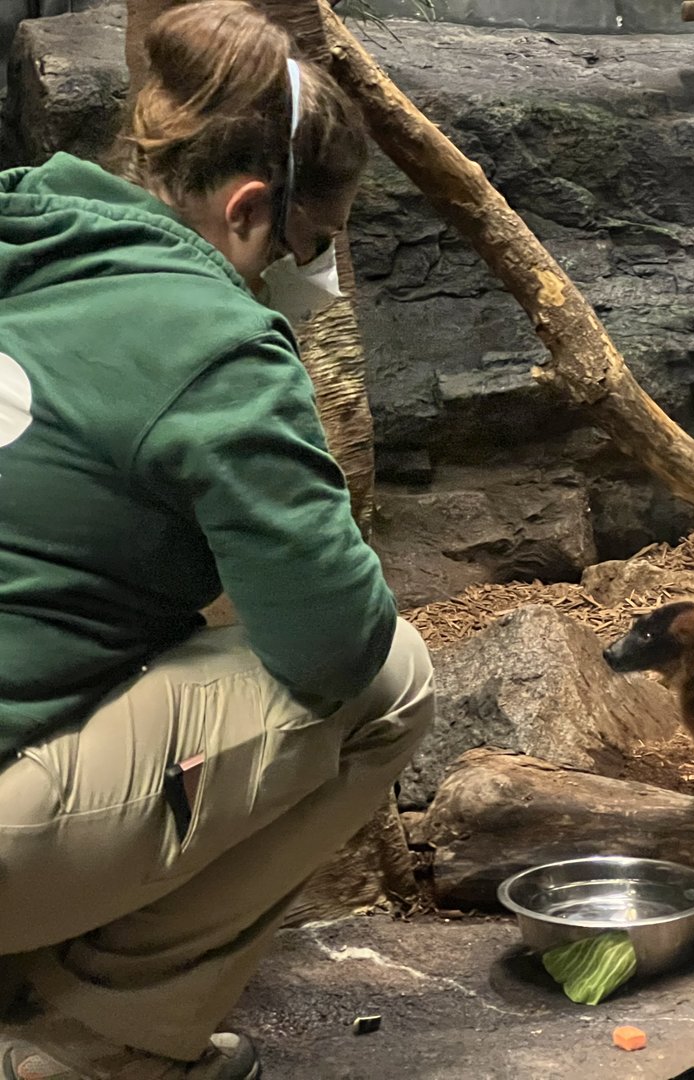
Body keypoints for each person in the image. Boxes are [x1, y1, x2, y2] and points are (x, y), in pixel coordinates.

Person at [0, 2, 434, 1076]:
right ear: (249, 209)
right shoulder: (215, 343)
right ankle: (98, 1043)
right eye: (309, 246)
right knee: (392, 683)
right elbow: (333, 642)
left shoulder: (25, 230)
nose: (311, 275)